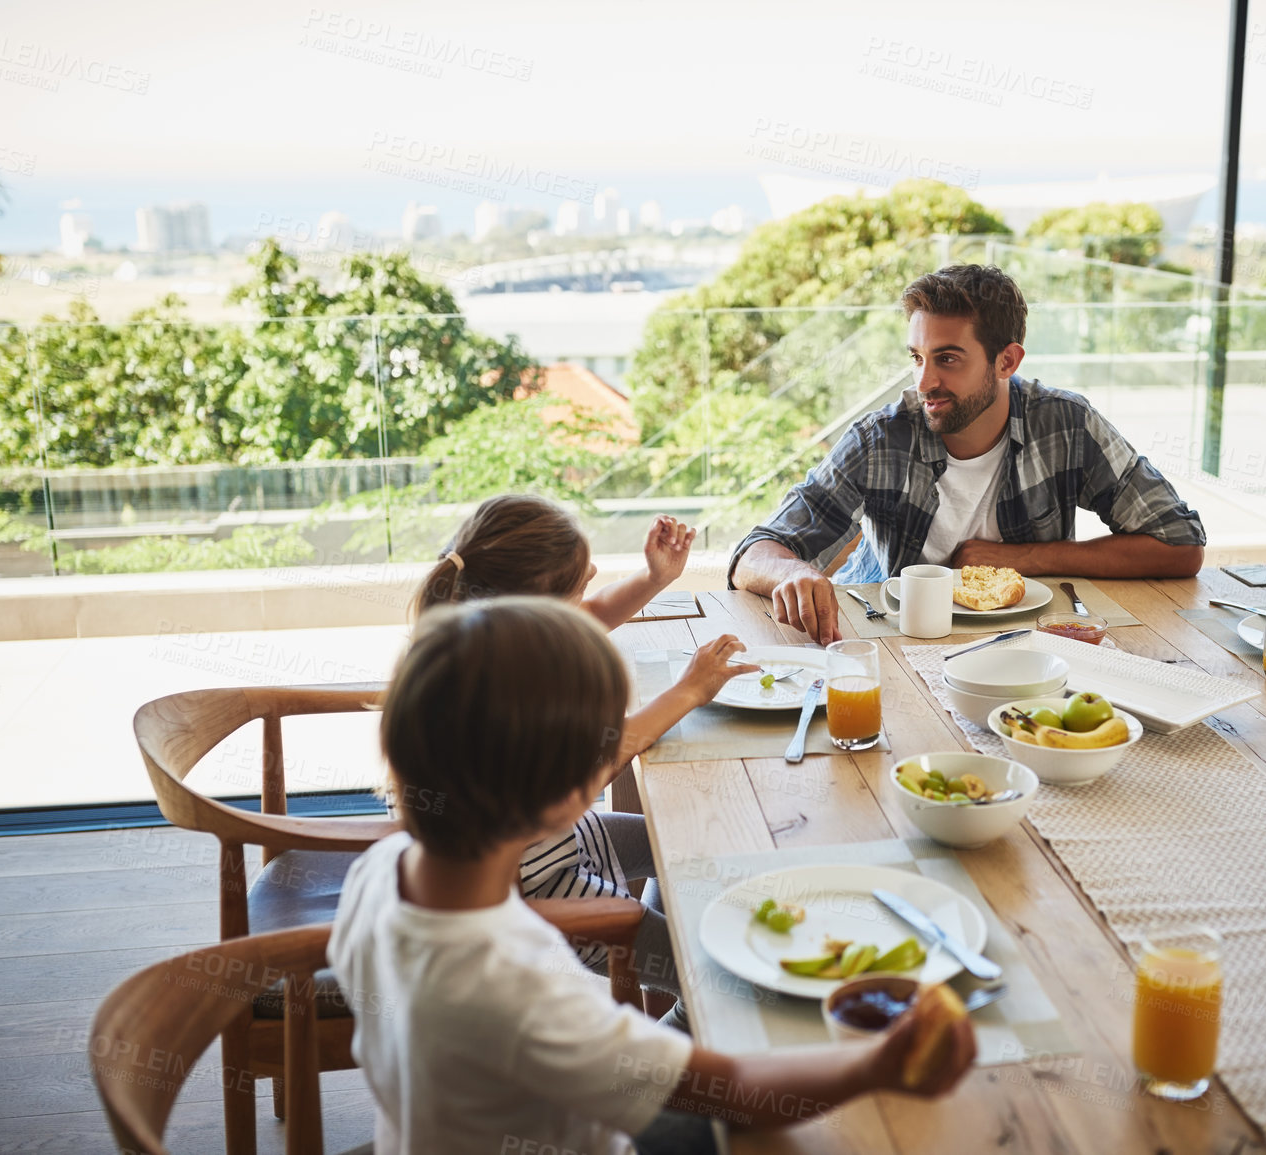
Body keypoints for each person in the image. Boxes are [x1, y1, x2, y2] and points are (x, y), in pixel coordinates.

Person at [330, 598, 977, 1155]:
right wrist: (876, 1063)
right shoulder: (518, 984)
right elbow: (742, 1093)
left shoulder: (377, 871)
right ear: (568, 796)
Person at [729, 263, 1206, 644]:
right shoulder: (881, 438)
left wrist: (1021, 559)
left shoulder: (1066, 423)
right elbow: (753, 554)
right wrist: (792, 572)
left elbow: (1181, 545)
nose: (925, 382)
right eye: (918, 357)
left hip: (1029, 645)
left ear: (1008, 361)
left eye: (948, 359)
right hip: (896, 640)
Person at [414, 495, 758, 1009]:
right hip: (541, 896)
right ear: (536, 614)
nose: (594, 574)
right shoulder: (503, 696)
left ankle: (672, 970)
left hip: (552, 848)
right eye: (578, 587)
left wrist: (654, 577)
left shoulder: (481, 641)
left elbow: (591, 616)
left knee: (685, 844)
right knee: (720, 986)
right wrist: (689, 691)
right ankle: (665, 1079)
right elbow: (594, 766)